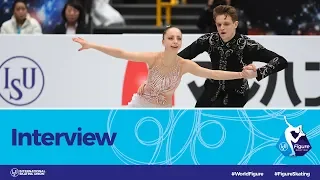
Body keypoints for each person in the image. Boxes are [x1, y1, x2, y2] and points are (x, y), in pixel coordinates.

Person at [72, 26, 258, 108]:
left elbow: (213, 73)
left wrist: (241, 74)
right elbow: (122, 53)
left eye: (178, 38)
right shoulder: (153, 58)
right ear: (163, 41)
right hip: (140, 105)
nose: (175, 41)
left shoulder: (184, 65)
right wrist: (92, 45)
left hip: (163, 111)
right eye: (171, 38)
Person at [178, 5, 288, 107]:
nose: (222, 28)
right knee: (198, 119)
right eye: (219, 24)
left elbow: (281, 61)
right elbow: (180, 58)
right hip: (211, 90)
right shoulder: (209, 40)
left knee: (225, 122)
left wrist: (257, 73)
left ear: (235, 24)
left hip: (236, 93)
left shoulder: (247, 45)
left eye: (226, 24)